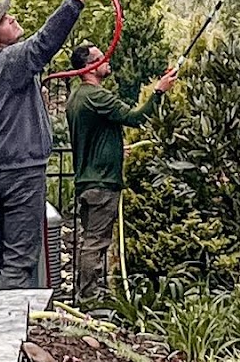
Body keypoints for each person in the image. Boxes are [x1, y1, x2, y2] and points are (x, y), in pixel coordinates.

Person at [0, 0, 101, 290]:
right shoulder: (8, 62)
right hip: (21, 174)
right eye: (2, 19)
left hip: (1, 174)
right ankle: (4, 336)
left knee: (0, 256)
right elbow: (46, 41)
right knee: (20, 260)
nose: (11, 18)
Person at [66, 43, 176, 305]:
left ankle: (89, 293)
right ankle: (90, 298)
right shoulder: (97, 96)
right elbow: (137, 118)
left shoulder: (77, 97)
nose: (106, 59)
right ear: (88, 67)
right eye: (99, 57)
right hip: (101, 183)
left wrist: (115, 148)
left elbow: (94, 135)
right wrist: (158, 92)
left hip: (87, 181)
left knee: (89, 239)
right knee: (95, 241)